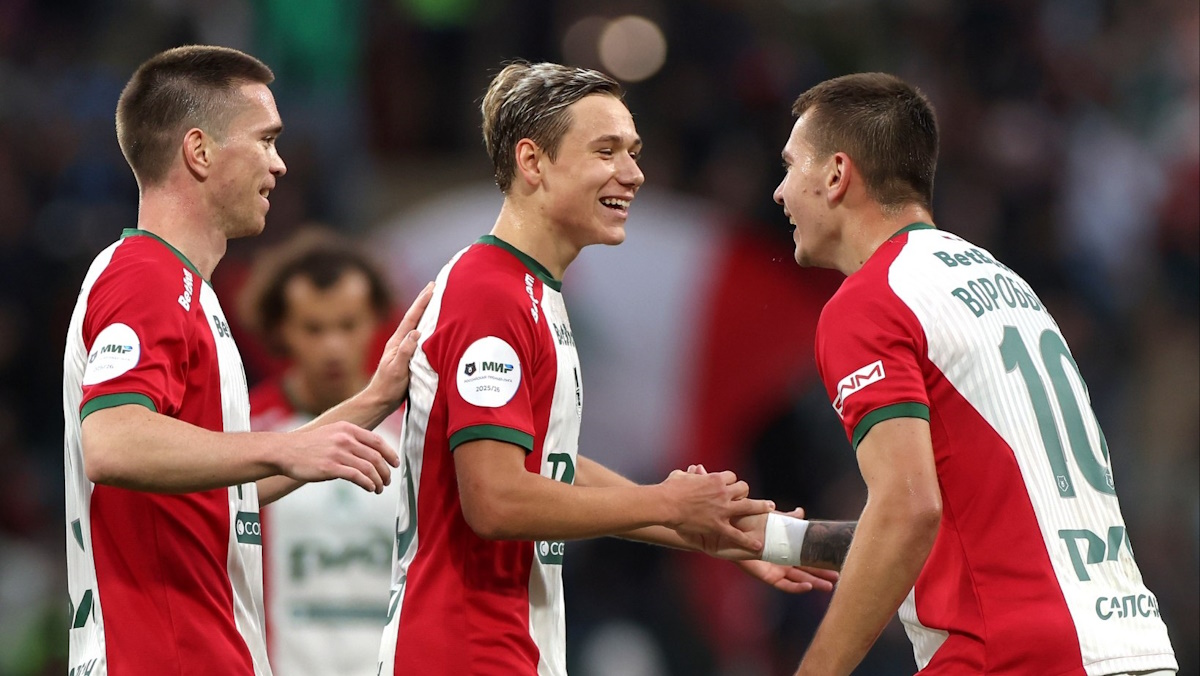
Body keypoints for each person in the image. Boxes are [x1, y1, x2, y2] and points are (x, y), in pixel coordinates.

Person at [376, 61, 835, 675]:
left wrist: (711, 533)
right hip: (462, 654)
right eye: (605, 151)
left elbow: (549, 465)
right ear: (533, 162)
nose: (633, 174)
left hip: (505, 649)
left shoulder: (533, 296)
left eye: (634, 153)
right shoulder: (490, 295)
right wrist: (668, 504)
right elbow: (495, 500)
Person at [750, 72, 1178, 674]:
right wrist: (774, 538)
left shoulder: (870, 302)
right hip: (1132, 644)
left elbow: (907, 513)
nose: (778, 192)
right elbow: (970, 523)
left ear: (837, 174)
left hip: (1014, 656)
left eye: (791, 166)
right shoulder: (1004, 283)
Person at [62, 45, 431, 676]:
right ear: (200, 152)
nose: (280, 163)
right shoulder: (147, 277)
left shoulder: (186, 292)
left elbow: (223, 494)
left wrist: (374, 399)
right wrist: (283, 446)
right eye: (265, 140)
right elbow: (113, 442)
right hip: (165, 658)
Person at [238, 228, 404, 675]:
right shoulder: (242, 429)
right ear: (281, 330)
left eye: (348, 325)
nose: (333, 347)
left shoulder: (415, 430)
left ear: (376, 321)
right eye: (314, 328)